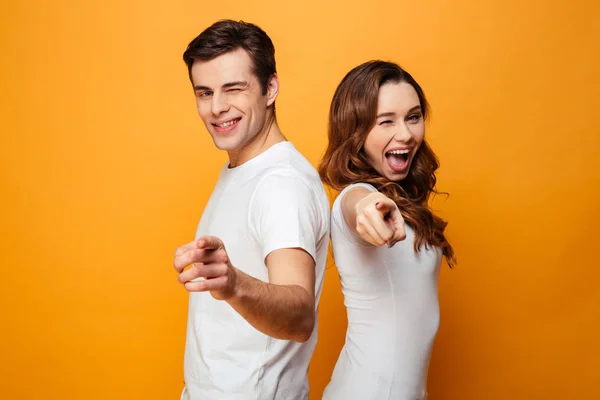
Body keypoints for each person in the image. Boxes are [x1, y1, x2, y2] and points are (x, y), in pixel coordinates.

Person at [172, 20, 330, 400]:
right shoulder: (242, 168)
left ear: (270, 88)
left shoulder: (281, 184)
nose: (217, 107)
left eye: (233, 89)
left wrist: (234, 284)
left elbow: (299, 314)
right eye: (204, 92)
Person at [318, 60, 455, 400]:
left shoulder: (406, 201)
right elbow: (358, 206)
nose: (406, 134)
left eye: (413, 116)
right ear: (356, 130)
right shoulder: (356, 198)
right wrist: (369, 210)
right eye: (385, 121)